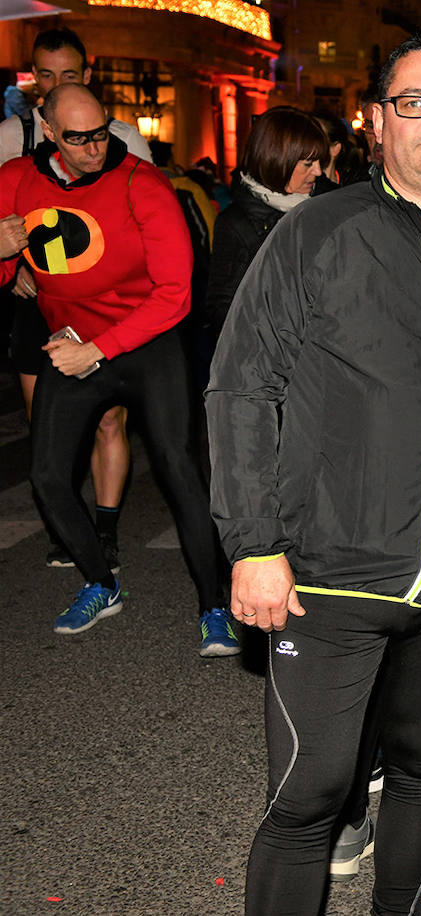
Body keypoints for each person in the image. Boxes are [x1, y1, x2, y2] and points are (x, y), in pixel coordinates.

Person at [205, 30, 421, 915]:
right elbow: (241, 386)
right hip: (325, 578)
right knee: (309, 798)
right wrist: (252, 545)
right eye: (414, 102)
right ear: (375, 122)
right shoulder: (315, 233)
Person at [0, 83, 230, 651]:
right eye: (76, 137)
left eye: (100, 132)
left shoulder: (142, 183)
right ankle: (101, 583)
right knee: (48, 477)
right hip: (72, 341)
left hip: (145, 344)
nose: (92, 147)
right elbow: (9, 281)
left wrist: (98, 350)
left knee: (179, 467)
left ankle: (216, 607)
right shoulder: (13, 180)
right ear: (48, 130)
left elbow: (176, 294)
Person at [3, 26, 154, 572]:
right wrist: (12, 262)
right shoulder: (9, 137)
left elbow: (144, 227)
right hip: (35, 303)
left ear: (86, 76)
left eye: (68, 75)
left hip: (104, 305)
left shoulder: (125, 139)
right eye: (45, 75)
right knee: (44, 417)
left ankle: (106, 529)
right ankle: (67, 522)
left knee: (109, 419)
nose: (55, 84)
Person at [205, 107, 328, 342]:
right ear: (278, 160)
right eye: (308, 164)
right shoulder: (237, 224)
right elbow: (222, 310)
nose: (318, 171)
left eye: (319, 161)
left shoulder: (325, 205)